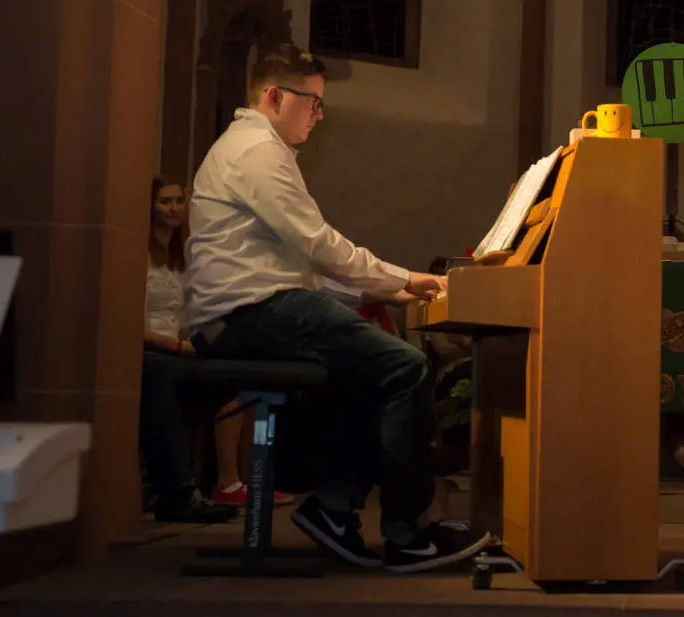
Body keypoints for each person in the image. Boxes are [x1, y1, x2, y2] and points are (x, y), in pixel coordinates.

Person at [183, 44, 490, 573]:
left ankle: (334, 507)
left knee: (374, 373)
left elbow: (300, 265)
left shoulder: (256, 149)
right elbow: (319, 245)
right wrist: (401, 278)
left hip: (255, 307)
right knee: (404, 366)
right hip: (248, 314)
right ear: (274, 97)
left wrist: (385, 291)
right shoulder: (256, 152)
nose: (319, 115)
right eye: (313, 102)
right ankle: (408, 534)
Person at [140, 177, 237, 524]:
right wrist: (174, 345)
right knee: (161, 375)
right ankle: (176, 491)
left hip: (178, 348)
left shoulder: (183, 256)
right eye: (165, 201)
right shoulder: (138, 254)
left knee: (230, 376)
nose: (174, 208)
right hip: (147, 349)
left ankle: (223, 481)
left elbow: (191, 315)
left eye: (179, 201)